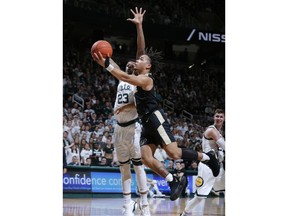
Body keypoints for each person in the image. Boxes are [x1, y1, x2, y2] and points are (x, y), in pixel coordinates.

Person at [92, 22, 220, 204]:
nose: (138, 60)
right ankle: (173, 180)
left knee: (174, 154)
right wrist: (139, 26)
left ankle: (208, 158)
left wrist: (107, 65)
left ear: (148, 66)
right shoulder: (138, 74)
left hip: (155, 118)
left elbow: (125, 76)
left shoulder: (145, 79)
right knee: (145, 158)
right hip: (145, 123)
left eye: (141, 60)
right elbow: (140, 50)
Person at [108, 7, 150, 216]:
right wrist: (102, 56)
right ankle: (127, 204)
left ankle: (144, 202)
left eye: (132, 62)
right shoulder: (122, 78)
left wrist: (139, 26)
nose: (130, 63)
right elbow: (110, 64)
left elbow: (141, 53)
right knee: (123, 167)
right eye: (127, 64)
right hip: (118, 128)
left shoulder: (139, 80)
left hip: (134, 127)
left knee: (138, 165)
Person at [180, 109, 225, 216]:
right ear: (214, 117)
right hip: (207, 166)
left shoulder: (220, 132)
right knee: (199, 197)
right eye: (217, 116)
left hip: (217, 166)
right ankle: (184, 214)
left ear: (224, 118)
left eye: (221, 117)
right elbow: (224, 146)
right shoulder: (211, 130)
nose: (219, 118)